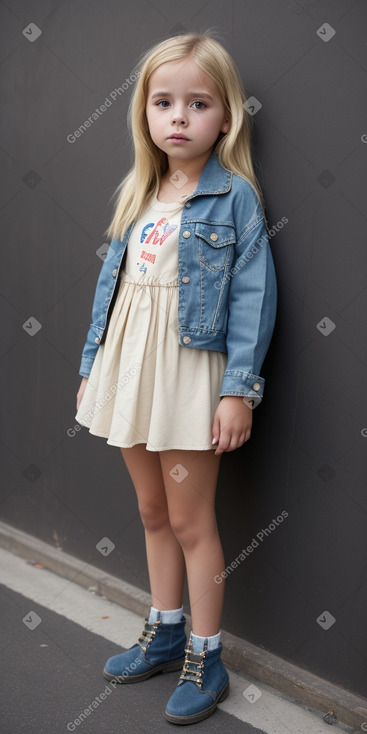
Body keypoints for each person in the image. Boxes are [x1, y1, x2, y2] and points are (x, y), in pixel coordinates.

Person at [75, 31, 277, 726]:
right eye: (164, 102)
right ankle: (162, 630)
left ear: (225, 117)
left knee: (191, 521)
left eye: (197, 103)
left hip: (189, 377)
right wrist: (90, 366)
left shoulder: (235, 198)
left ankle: (205, 654)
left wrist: (236, 389)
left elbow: (254, 298)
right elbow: (116, 289)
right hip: (132, 374)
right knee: (152, 512)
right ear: (144, 113)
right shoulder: (141, 190)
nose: (178, 117)